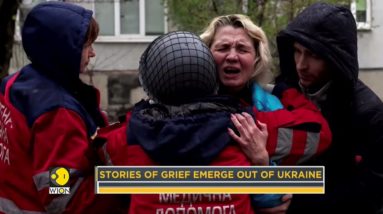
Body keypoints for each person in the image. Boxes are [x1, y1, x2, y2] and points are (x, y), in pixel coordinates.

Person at [0, 2, 122, 213]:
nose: (92, 54)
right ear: (63, 50)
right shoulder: (57, 113)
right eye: (86, 46)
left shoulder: (16, 84)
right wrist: (131, 180)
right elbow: (63, 195)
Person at [275, 2, 383, 213]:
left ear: (337, 59)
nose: (301, 65)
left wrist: (291, 197)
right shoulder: (279, 96)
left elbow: (371, 195)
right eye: (297, 51)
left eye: (313, 55)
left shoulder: (369, 115)